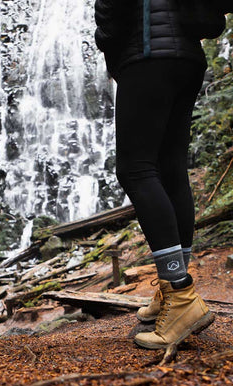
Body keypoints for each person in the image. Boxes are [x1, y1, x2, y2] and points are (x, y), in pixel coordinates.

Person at [94, 0, 219, 349]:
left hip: (147, 53)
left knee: (135, 170)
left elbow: (111, 10)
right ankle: (173, 291)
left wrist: (105, 38)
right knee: (171, 170)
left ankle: (180, 295)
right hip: (187, 59)